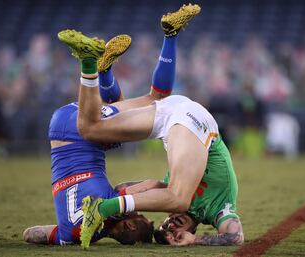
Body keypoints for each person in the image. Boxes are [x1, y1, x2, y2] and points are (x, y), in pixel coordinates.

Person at [57, 3, 243, 250]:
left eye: (164, 229)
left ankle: (92, 63)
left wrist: (111, 216)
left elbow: (127, 189)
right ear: (189, 229)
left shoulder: (170, 185)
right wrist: (196, 240)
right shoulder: (218, 209)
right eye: (172, 230)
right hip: (196, 121)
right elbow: (235, 236)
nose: (169, 226)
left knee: (90, 128)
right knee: (177, 199)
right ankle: (101, 210)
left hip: (171, 118)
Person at [23, 29, 179, 245]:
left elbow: (153, 185)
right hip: (65, 127)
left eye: (144, 217)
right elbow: (31, 234)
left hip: (83, 127)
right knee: (116, 133)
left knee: (158, 98)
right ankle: (104, 71)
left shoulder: (112, 204)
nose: (143, 212)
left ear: (130, 224)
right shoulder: (71, 236)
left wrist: (180, 196)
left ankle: (90, 64)